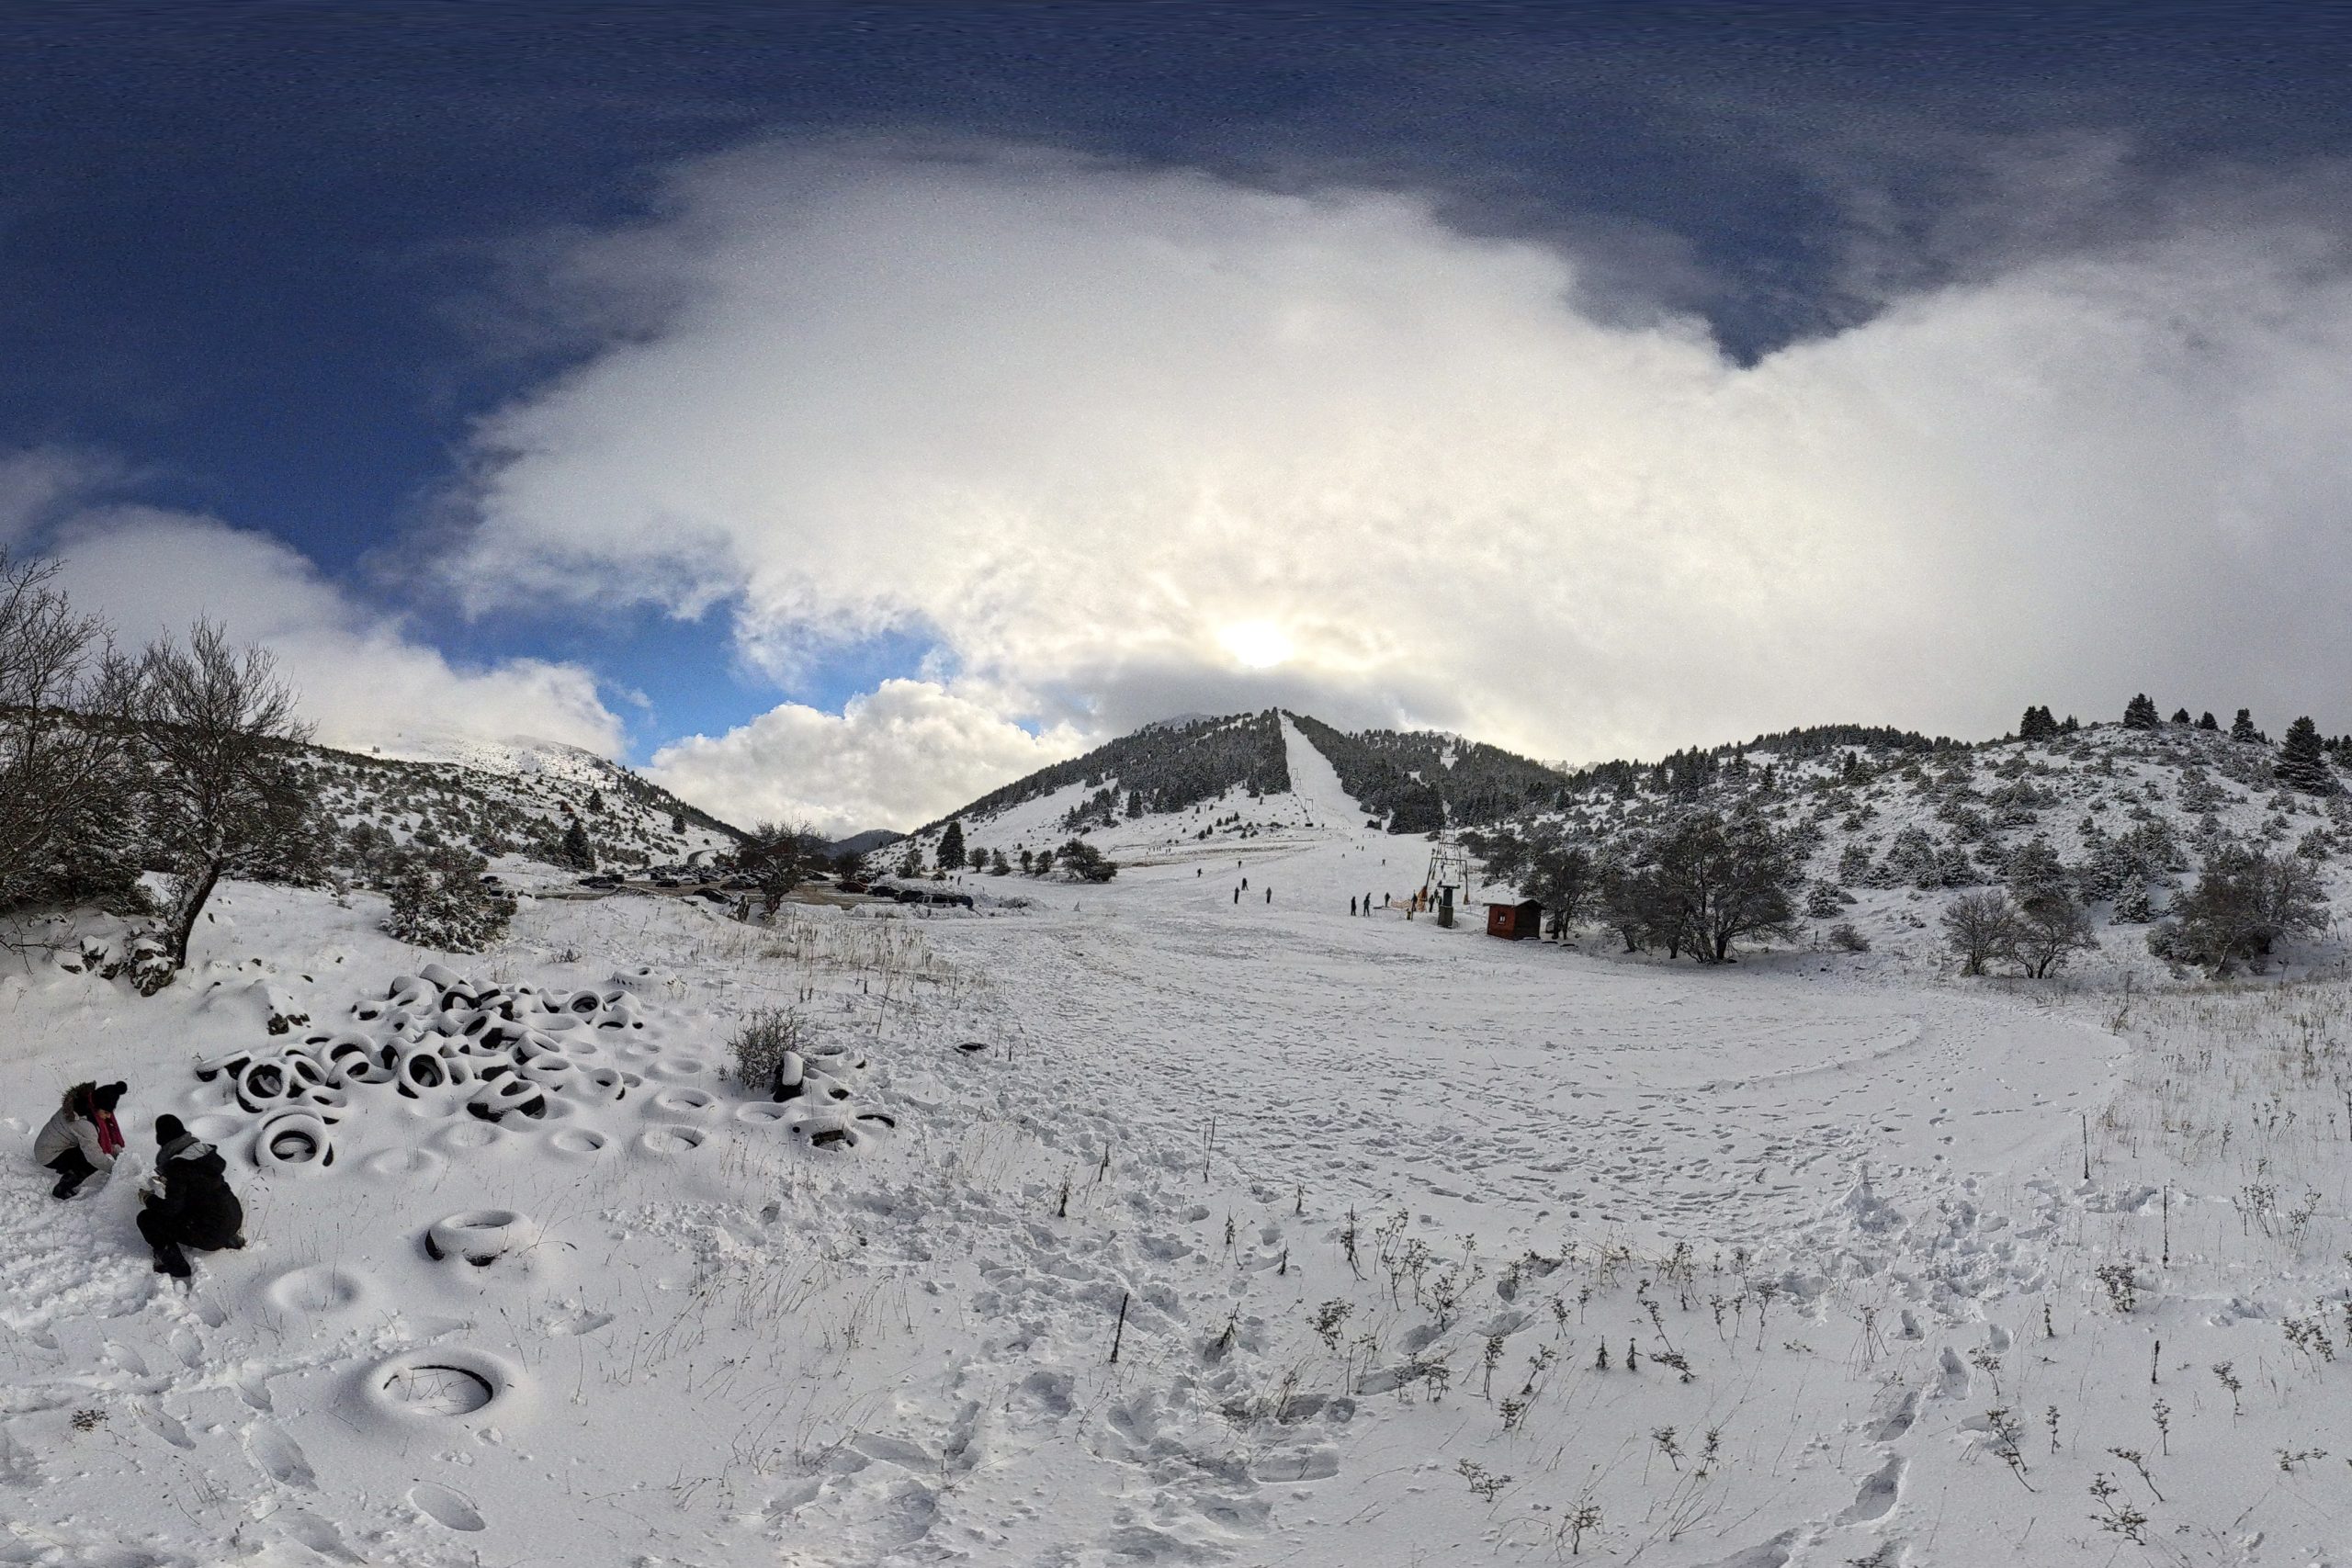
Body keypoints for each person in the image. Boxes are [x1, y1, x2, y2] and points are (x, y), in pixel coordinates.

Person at [138, 1115, 244, 1279]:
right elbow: (198, 1190)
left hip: (211, 1236)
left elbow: (170, 1209)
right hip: (234, 1218)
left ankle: (175, 1266)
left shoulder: (178, 1168)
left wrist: (148, 1199)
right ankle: (230, 1238)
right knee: (206, 1209)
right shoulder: (203, 1154)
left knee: (146, 1219)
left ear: (163, 1140)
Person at [34, 1081, 126, 1198]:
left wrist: (119, 1156)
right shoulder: (83, 1122)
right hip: (48, 1154)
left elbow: (105, 1138)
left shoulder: (85, 1102)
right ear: (97, 1108)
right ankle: (63, 1188)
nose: (109, 1117)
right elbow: (95, 1158)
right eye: (106, 1113)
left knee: (92, 1146)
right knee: (90, 1162)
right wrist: (118, 1171)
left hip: (51, 1144)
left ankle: (71, 1168)